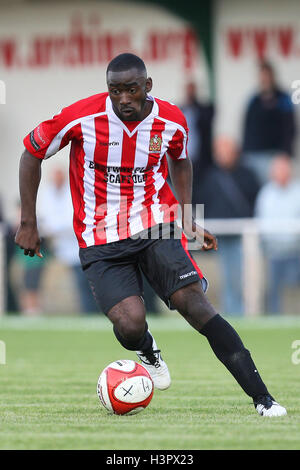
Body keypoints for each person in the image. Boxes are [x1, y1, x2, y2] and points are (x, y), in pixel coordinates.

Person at [15, 53, 286, 417]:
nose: (123, 98)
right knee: (130, 324)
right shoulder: (82, 117)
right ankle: (145, 348)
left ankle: (264, 399)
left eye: (131, 89)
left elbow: (180, 159)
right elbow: (31, 153)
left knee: (197, 306)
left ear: (147, 86)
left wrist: (187, 217)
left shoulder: (171, 120)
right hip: (100, 236)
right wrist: (28, 223)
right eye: (115, 91)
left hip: (155, 223)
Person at [200, 136, 260, 315]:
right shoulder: (211, 176)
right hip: (218, 235)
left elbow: (253, 200)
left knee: (239, 276)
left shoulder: (247, 174)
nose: (222, 155)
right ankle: (228, 312)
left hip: (242, 234)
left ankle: (241, 312)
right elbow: (203, 201)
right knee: (224, 277)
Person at [38, 168, 98, 314]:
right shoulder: (47, 193)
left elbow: (70, 220)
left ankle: (91, 312)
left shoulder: (71, 191)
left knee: (85, 282)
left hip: (77, 245)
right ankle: (86, 312)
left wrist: (53, 227)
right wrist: (53, 227)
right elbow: (45, 220)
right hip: (57, 247)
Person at [255, 155, 300, 314]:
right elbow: (260, 218)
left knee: (294, 292)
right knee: (273, 291)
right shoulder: (266, 193)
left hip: (296, 252)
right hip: (272, 253)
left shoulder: (297, 192)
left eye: (283, 169)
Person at [242, 60, 296, 186]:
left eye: (267, 75)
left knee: (276, 189)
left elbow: (290, 127)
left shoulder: (283, 98)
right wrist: (245, 152)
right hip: (255, 154)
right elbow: (247, 127)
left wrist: (286, 153)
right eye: (262, 75)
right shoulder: (253, 100)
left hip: (276, 154)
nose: (264, 79)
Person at [181, 82, 214, 205]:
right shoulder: (180, 110)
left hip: (200, 161)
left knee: (200, 193)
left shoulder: (203, 110)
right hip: (182, 160)